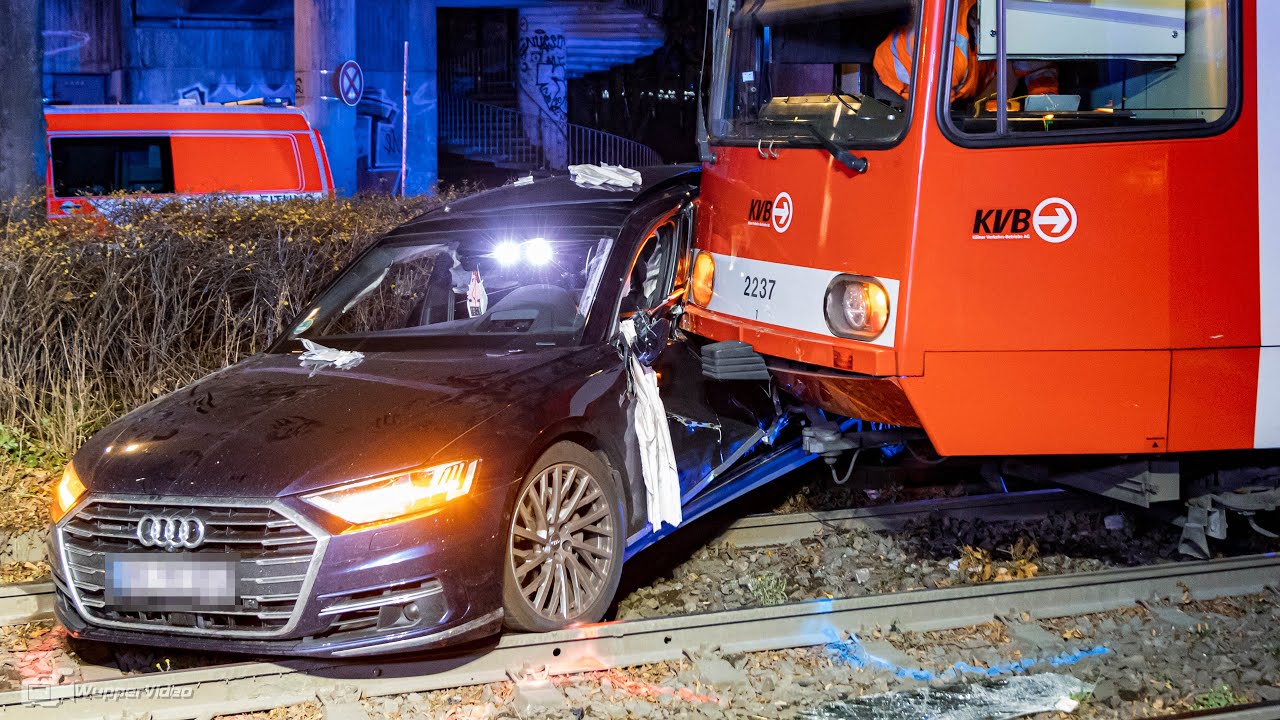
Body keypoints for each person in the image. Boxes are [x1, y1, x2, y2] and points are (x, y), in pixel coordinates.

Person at [873, 0, 1058, 107]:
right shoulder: (947, 45)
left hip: (956, 89)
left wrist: (1045, 104)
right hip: (899, 85)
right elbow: (938, 118)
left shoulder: (998, 20)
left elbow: (1036, 66)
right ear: (977, 23)